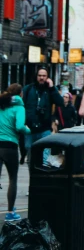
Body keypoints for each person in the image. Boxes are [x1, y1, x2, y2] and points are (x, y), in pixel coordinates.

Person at [0, 84, 31, 221]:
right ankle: (10, 212)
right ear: (21, 94)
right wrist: (28, 130)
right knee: (13, 179)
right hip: (10, 145)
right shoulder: (19, 107)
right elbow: (19, 126)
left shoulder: (1, 104)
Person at [23, 67, 64, 162]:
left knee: (45, 157)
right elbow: (22, 105)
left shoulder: (50, 90)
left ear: (47, 77)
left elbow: (60, 102)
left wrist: (52, 88)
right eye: (39, 75)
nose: (41, 78)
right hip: (30, 129)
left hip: (45, 128)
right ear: (36, 76)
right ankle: (33, 176)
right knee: (31, 157)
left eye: (44, 76)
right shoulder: (28, 89)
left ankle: (43, 176)